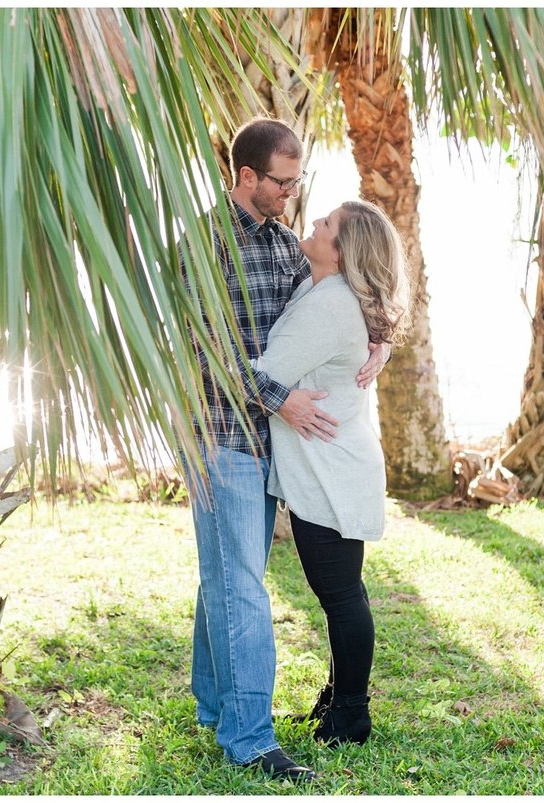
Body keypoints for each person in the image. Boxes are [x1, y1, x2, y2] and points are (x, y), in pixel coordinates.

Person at [181, 118, 390, 781]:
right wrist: (279, 397)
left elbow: (351, 285)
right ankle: (249, 737)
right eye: (283, 182)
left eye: (299, 181)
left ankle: (215, 708)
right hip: (222, 437)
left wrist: (379, 339)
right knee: (241, 585)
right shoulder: (204, 245)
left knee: (226, 574)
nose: (293, 194)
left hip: (269, 442)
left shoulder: (281, 243)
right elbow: (200, 348)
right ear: (247, 177)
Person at [252, 200, 411, 747]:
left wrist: (213, 349)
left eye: (325, 225)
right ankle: (339, 699)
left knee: (341, 595)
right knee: (343, 594)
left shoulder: (331, 306)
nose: (312, 224)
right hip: (333, 464)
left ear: (342, 252)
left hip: (332, 474)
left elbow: (266, 373)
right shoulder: (324, 290)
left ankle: (351, 713)